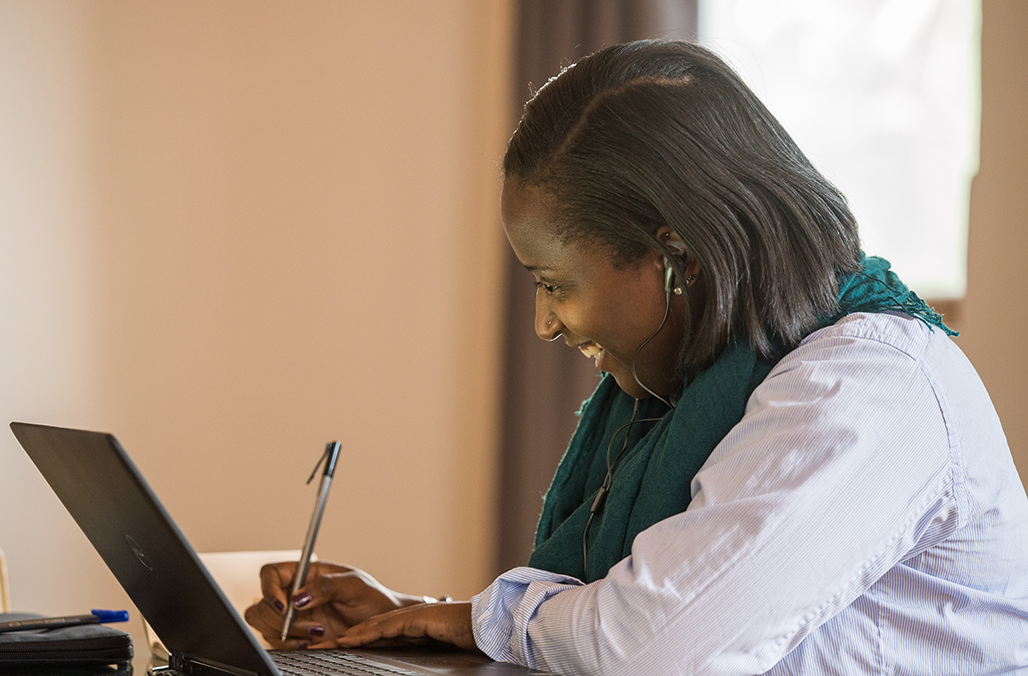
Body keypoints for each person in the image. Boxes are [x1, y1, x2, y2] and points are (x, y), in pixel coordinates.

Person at [245, 40, 1028, 675]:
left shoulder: (865, 388)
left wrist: (483, 617)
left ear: (674, 256)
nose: (547, 325)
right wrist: (427, 618)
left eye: (556, 284)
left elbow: (654, 649)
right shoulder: (705, 388)